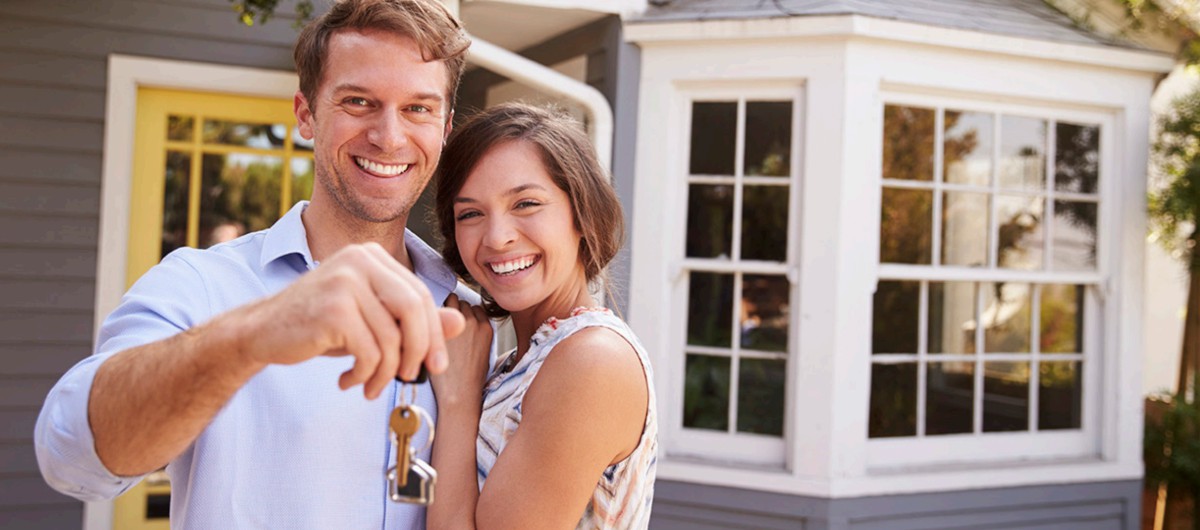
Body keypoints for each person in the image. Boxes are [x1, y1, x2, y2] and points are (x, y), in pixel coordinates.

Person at [33, 1, 483, 528]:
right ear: (306, 114)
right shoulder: (203, 286)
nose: (389, 136)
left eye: (418, 109)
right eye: (359, 101)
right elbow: (69, 458)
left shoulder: (474, 320)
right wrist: (256, 332)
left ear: (446, 127)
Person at [428, 103, 658, 529]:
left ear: (581, 213)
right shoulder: (514, 363)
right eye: (471, 214)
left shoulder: (592, 361)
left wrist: (458, 402)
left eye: (526, 203)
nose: (497, 237)